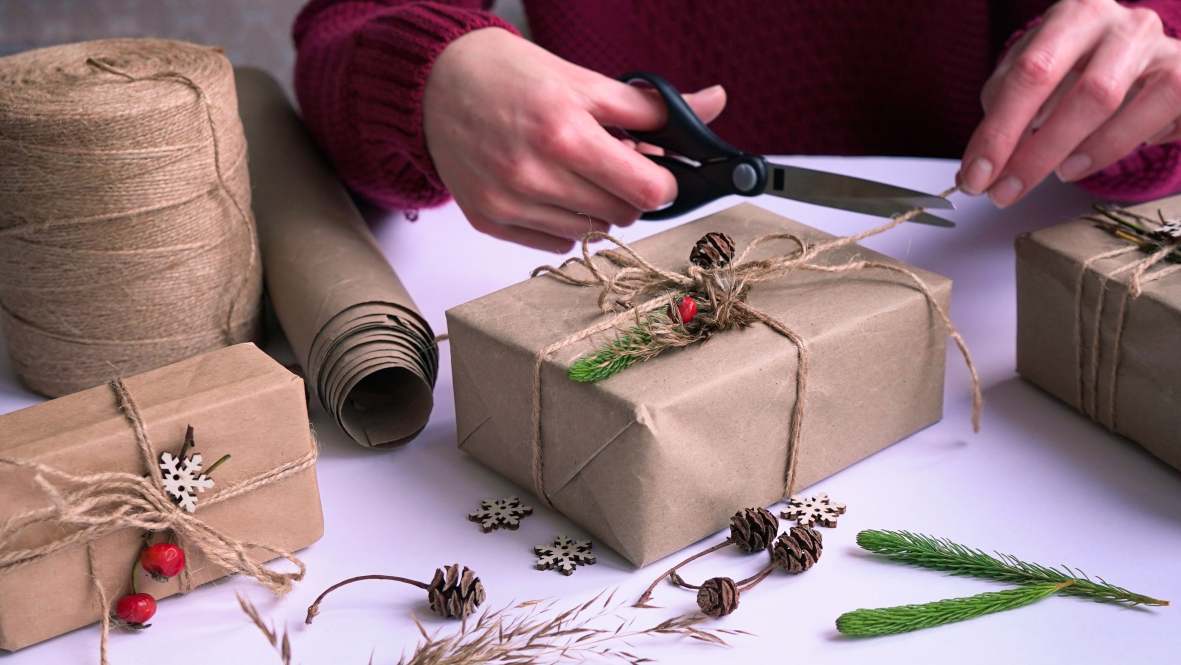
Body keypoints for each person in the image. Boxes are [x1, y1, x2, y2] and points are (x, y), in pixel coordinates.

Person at [293, 0, 1181, 252]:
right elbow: (342, 32)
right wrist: (430, 76)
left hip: (985, 292)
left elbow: (1142, 45)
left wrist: (1137, 82)